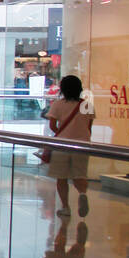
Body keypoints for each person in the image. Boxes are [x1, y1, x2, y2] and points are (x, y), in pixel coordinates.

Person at [45, 74, 94, 218]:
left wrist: (64, 133)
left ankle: (66, 207)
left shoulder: (58, 104)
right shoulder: (86, 104)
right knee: (80, 174)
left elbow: (53, 126)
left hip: (62, 144)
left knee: (62, 177)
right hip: (82, 144)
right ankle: (83, 194)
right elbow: (88, 126)